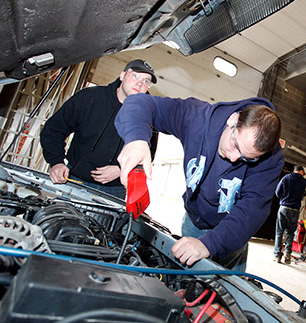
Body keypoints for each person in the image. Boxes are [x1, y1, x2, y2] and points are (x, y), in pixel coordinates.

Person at [114, 94, 284, 271]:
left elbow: (252, 209)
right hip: (193, 221)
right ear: (233, 119)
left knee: (226, 294)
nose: (234, 158)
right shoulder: (196, 117)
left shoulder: (271, 159)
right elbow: (141, 103)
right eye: (236, 146)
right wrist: (136, 140)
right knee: (185, 285)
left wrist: (211, 243)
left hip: (230, 234)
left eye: (247, 158)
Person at [40, 59, 158, 199]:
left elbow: (147, 154)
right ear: (122, 75)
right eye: (135, 76)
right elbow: (54, 129)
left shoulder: (148, 115)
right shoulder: (89, 97)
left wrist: (121, 170)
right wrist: (57, 162)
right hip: (74, 180)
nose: (140, 83)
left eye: (146, 81)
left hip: (114, 190)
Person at [273, 165, 306, 264]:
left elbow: (277, 192)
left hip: (283, 208)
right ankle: (287, 255)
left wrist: (283, 200)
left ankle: (277, 255)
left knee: (279, 232)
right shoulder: (304, 181)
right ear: (301, 171)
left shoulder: (286, 178)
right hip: (295, 209)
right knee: (290, 233)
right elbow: (301, 194)